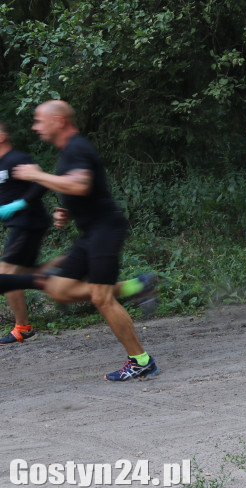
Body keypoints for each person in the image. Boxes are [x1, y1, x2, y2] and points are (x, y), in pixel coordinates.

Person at [12, 101, 160, 380]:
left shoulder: (77, 148)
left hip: (105, 230)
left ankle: (141, 361)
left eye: (39, 121)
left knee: (101, 298)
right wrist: (68, 210)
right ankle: (137, 285)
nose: (35, 127)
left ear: (59, 121)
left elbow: (80, 183)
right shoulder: (68, 152)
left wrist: (37, 176)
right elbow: (85, 190)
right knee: (58, 288)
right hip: (91, 232)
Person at [0, 121, 50, 344]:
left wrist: (18, 204)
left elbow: (41, 183)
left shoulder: (16, 159)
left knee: (6, 275)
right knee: (30, 272)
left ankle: (23, 327)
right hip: (19, 224)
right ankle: (75, 263)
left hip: (28, 222)